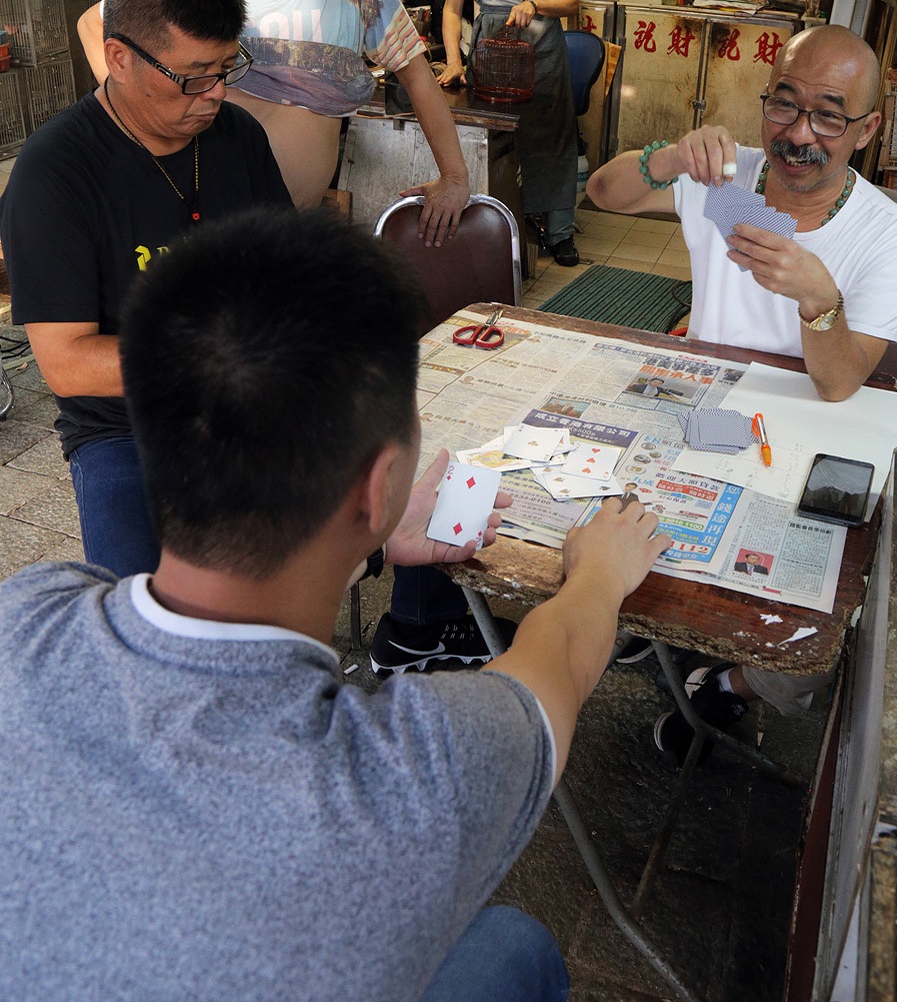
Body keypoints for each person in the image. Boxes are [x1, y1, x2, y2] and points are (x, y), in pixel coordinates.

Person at [0, 206, 666, 1001]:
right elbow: (557, 660)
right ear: (381, 484)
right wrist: (599, 571)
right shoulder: (419, 771)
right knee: (516, 948)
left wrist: (368, 544)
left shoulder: (28, 613)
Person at [588, 24, 897, 762]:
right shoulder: (726, 185)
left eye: (830, 115)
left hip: (808, 431)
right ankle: (655, 625)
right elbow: (603, 191)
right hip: (706, 416)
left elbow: (840, 381)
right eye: (786, 104)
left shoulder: (888, 237)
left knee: (812, 625)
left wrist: (820, 301)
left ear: (866, 129)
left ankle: (731, 687)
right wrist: (672, 155)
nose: (800, 134)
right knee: (606, 501)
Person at [0, 0, 291, 578]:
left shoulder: (237, 138)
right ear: (118, 58)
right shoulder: (54, 174)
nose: (214, 94)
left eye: (226, 69)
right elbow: (69, 365)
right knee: (144, 610)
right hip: (128, 430)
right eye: (192, 78)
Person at [78, 0, 470, 245]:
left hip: (291, 230)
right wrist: (137, 116)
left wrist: (455, 177)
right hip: (196, 227)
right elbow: (93, 24)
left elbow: (417, 75)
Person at [439, 0, 581, 267]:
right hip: (490, 55)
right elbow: (452, 9)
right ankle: (497, 224)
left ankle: (560, 231)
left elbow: (570, 0)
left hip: (543, 54)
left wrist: (535, 5)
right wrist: (454, 60)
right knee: (493, 138)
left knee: (552, 135)